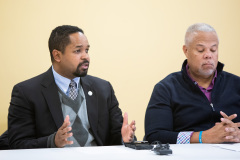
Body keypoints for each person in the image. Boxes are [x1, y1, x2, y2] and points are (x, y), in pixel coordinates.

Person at [6, 25, 136, 149]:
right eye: (78, 51)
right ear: (57, 55)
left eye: (87, 50)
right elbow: (18, 144)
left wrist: (124, 138)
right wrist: (53, 141)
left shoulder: (103, 88)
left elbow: (116, 136)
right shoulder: (27, 92)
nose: (86, 56)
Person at [145, 23, 240, 144]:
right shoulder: (166, 88)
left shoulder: (237, 84)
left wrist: (235, 134)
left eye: (213, 49)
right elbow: (155, 136)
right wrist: (201, 137)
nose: (208, 55)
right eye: (201, 50)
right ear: (186, 50)